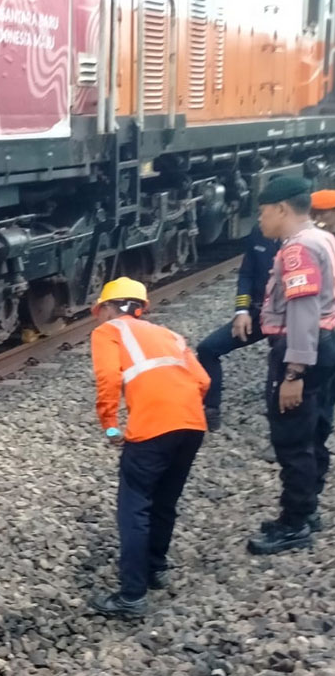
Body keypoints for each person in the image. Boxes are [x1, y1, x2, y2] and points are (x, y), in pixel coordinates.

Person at [87, 277, 210, 618]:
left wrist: (110, 425)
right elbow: (203, 380)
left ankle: (131, 596)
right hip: (192, 425)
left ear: (110, 308)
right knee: (164, 501)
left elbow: (109, 378)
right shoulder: (169, 334)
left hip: (154, 428)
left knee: (134, 508)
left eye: (99, 310)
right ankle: (156, 568)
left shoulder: (108, 332)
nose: (98, 318)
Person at [247, 176, 335, 555]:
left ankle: (295, 522)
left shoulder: (297, 250)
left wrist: (293, 373)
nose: (260, 220)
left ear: (282, 208)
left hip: (300, 348)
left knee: (292, 438)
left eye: (263, 212)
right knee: (314, 428)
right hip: (325, 343)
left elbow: (303, 309)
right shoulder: (324, 238)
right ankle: (309, 507)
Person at [195, 224, 278, 430]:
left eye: (264, 211)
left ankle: (280, 428)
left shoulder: (304, 239)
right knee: (208, 348)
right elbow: (246, 274)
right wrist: (241, 311)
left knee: (279, 366)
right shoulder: (260, 232)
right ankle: (211, 409)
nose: (261, 218)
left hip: (286, 316)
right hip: (257, 313)